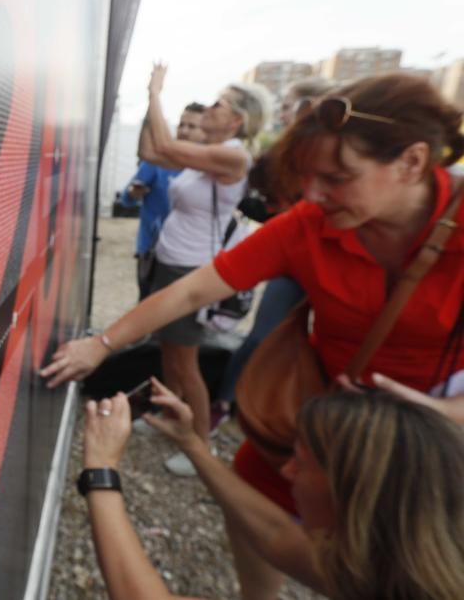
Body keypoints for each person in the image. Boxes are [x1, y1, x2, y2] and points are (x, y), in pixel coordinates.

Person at [43, 73, 464, 600]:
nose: (314, 195)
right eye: (310, 178)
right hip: (322, 413)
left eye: (338, 177)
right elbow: (192, 292)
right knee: (257, 495)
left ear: (412, 162)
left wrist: (441, 415)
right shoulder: (311, 223)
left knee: (395, 561)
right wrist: (102, 344)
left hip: (426, 437)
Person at [81, 381, 464, 600]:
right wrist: (192, 443)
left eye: (303, 461)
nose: (286, 470)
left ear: (354, 495)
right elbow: (277, 534)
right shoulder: (396, 561)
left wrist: (101, 468)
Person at [126, 63, 270, 476]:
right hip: (170, 263)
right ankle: (173, 418)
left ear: (237, 120)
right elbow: (151, 153)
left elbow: (167, 149)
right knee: (170, 355)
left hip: (190, 271)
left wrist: (155, 93)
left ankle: (201, 447)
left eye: (219, 104)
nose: (209, 108)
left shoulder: (232, 157)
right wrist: (145, 110)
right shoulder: (206, 156)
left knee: (186, 364)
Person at [214, 78, 335, 420]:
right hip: (296, 265)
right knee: (263, 336)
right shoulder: (282, 157)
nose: (282, 113)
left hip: (331, 262)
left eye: (289, 105)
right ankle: (226, 404)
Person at [123, 103, 206, 299]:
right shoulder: (157, 161)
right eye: (181, 125)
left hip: (191, 256)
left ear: (206, 132)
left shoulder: (210, 167)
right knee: (148, 309)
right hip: (154, 253)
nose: (184, 131)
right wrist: (135, 193)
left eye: (192, 126)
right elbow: (127, 199)